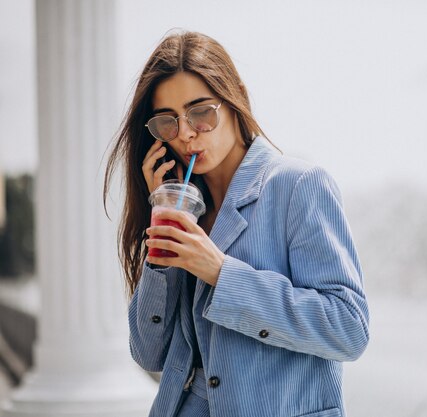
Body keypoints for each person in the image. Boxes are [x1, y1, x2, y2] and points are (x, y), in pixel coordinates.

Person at [103, 30, 369, 417]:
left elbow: (349, 329)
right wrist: (160, 245)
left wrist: (221, 273)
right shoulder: (182, 209)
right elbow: (148, 353)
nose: (188, 132)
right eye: (168, 122)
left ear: (234, 97)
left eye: (201, 112)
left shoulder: (298, 186)